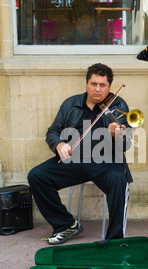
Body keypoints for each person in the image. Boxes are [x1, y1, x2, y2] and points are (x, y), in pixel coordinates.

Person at [28, 63, 132, 245]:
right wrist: (59, 144)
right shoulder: (71, 104)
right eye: (93, 84)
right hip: (76, 159)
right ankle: (66, 225)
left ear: (109, 87)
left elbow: (126, 144)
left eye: (102, 85)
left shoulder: (118, 106)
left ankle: (115, 241)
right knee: (37, 176)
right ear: (86, 84)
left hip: (106, 161)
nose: (97, 89)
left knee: (118, 180)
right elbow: (53, 131)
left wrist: (116, 134)